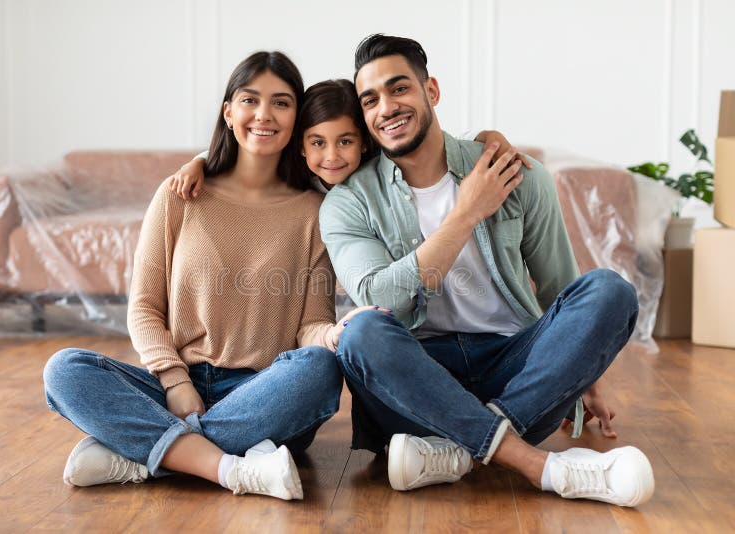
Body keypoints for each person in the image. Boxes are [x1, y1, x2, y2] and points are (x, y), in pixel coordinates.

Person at [317, 34, 655, 507]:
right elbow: (383, 298)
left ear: (431, 90)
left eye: (399, 89)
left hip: (512, 368)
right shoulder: (347, 202)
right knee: (362, 332)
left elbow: (562, 287)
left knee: (610, 290)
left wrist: (587, 377)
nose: (386, 107)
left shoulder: (515, 171)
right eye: (370, 100)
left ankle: (458, 449)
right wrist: (465, 213)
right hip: (415, 380)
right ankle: (532, 462)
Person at [42, 51, 388, 501]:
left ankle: (143, 456)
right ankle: (226, 465)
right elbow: (145, 308)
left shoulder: (313, 213)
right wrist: (175, 382)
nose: (264, 114)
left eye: (281, 103)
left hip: (262, 393)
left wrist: (335, 334)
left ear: (296, 122)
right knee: (65, 369)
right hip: (176, 384)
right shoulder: (180, 195)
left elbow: (308, 326)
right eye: (250, 100)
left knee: (319, 370)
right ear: (229, 112)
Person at [168, 80, 528, 198]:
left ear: (366, 142)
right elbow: (245, 153)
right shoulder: (299, 172)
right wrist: (198, 161)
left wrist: (484, 137)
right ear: (300, 144)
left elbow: (434, 147)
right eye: (318, 142)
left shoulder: (381, 169)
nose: (332, 157)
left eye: (345, 141)